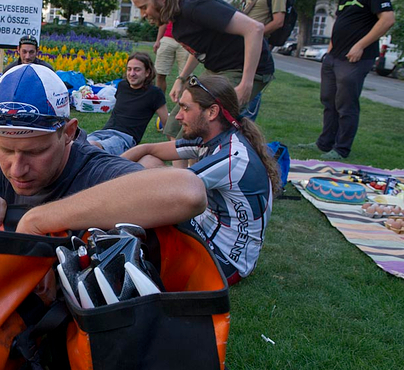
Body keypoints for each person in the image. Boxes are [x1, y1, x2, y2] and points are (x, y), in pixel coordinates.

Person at [0, 64, 205, 231]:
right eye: (5, 149)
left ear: (68, 132)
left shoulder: (92, 168)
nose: (17, 169)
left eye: (35, 152)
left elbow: (188, 191)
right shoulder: (2, 170)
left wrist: (39, 219)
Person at [121, 75, 281, 285]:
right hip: (207, 230)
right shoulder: (214, 137)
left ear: (212, 112)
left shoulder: (231, 157)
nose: (178, 116)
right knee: (149, 162)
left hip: (225, 262)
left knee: (153, 197)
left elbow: (168, 192)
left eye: (186, 109)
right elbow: (148, 149)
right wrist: (105, 169)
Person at [133, 0, 275, 142]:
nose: (143, 14)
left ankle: (201, 163)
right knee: (175, 124)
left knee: (197, 124)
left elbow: (254, 28)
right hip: (218, 68)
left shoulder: (194, 6)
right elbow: (199, 50)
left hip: (242, 69)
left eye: (144, 7)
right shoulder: (178, 21)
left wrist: (246, 84)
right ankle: (183, 165)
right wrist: (181, 78)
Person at [298, 0, 394, 160]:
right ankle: (324, 143)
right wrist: (330, 51)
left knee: (346, 104)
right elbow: (341, 22)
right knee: (328, 101)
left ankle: (341, 149)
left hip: (355, 58)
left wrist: (360, 46)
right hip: (334, 56)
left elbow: (388, 19)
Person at [87, 52, 168, 155]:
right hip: (103, 132)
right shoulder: (122, 86)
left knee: (93, 147)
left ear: (147, 72)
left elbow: (167, 124)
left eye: (137, 69)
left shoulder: (154, 93)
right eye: (129, 69)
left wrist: (178, 150)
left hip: (124, 139)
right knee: (77, 144)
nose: (132, 73)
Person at [241, 0, 287, 121]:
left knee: (251, 84)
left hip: (257, 44)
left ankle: (245, 131)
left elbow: (278, 21)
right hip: (242, 44)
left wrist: (254, 35)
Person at [153, 22, 189, 94]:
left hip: (186, 39)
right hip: (168, 38)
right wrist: (157, 40)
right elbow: (163, 21)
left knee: (186, 76)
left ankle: (184, 103)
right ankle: (159, 102)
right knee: (160, 73)